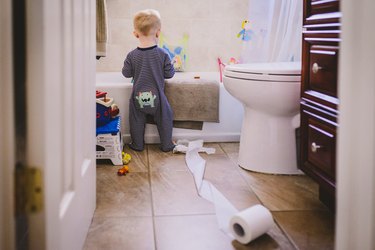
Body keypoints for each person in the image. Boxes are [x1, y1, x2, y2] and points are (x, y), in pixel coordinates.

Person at [122, 9, 175, 152]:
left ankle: (137, 145)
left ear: (135, 33)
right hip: (157, 97)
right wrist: (171, 65)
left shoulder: (132, 55)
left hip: (137, 96)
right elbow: (169, 75)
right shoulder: (163, 54)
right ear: (158, 32)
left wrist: (134, 68)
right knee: (165, 118)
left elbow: (126, 74)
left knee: (136, 120)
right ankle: (166, 145)